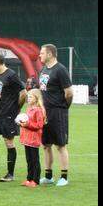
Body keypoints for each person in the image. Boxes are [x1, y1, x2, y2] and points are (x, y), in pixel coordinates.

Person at [0, 52, 26, 181]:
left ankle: (10, 174)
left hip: (8, 114)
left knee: (9, 142)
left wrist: (16, 109)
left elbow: (23, 93)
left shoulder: (11, 75)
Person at [37, 44, 74, 187]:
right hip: (45, 112)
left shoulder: (61, 70)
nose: (40, 55)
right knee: (46, 145)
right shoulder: (44, 69)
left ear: (50, 54)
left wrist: (63, 107)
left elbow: (69, 93)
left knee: (60, 145)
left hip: (58, 112)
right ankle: (48, 176)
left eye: (42, 53)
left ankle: (64, 177)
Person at [19, 89, 46, 188]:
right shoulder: (29, 108)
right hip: (27, 138)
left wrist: (27, 124)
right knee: (29, 160)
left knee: (35, 160)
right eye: (28, 97)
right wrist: (21, 122)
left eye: (31, 97)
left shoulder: (38, 110)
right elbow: (27, 121)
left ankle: (35, 180)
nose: (28, 99)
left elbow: (39, 125)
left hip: (34, 139)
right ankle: (29, 178)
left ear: (36, 98)